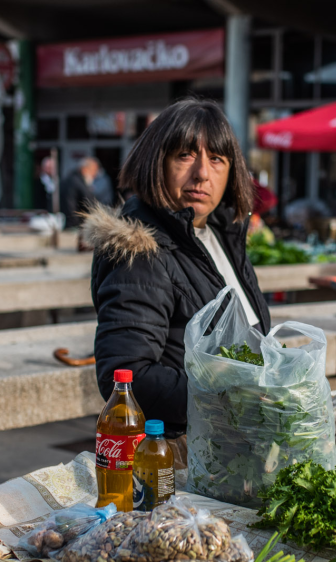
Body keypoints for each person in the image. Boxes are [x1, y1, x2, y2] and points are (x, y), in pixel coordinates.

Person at [84, 98, 270, 434]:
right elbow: (128, 376)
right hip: (182, 452)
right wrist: (238, 397)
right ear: (157, 162)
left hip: (237, 441)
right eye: (185, 156)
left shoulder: (219, 234)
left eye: (216, 159)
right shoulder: (140, 252)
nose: (201, 173)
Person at [62, 157, 100, 228]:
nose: (95, 175)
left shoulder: (74, 179)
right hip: (74, 225)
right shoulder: (76, 182)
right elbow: (90, 203)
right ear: (84, 169)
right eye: (94, 171)